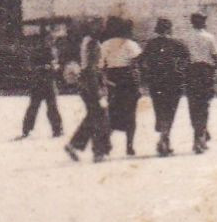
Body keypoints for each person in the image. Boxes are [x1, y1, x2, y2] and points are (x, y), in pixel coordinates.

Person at [140, 17, 189, 157]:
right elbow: (186, 60)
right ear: (169, 29)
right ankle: (164, 139)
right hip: (174, 81)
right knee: (170, 110)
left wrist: (149, 72)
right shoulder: (177, 43)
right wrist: (179, 70)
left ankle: (163, 138)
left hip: (155, 82)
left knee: (160, 109)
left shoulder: (151, 44)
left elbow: (143, 62)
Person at [64, 21, 109, 163]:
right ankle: (97, 152)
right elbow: (92, 66)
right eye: (99, 26)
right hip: (92, 81)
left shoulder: (87, 41)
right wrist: (99, 90)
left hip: (88, 81)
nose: (102, 29)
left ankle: (74, 145)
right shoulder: (92, 43)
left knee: (93, 116)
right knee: (99, 116)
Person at [100, 16, 143, 157]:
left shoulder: (105, 44)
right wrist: (139, 86)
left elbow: (101, 66)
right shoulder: (131, 44)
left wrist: (105, 81)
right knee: (131, 115)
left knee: (112, 113)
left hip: (113, 79)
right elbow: (136, 66)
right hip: (128, 80)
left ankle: (106, 144)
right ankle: (129, 146)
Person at [18, 25, 65, 139]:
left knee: (52, 106)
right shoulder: (38, 50)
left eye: (52, 38)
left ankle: (57, 129)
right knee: (34, 106)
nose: (52, 40)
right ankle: (27, 129)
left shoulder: (53, 49)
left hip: (49, 81)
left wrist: (55, 67)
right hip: (39, 81)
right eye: (49, 38)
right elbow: (31, 65)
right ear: (44, 39)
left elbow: (55, 63)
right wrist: (45, 67)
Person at [186, 11, 217, 153]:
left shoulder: (186, 38)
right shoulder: (210, 37)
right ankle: (201, 137)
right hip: (205, 73)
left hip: (191, 73)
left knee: (193, 106)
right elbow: (216, 60)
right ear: (203, 22)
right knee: (204, 106)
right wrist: (211, 71)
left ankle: (198, 136)